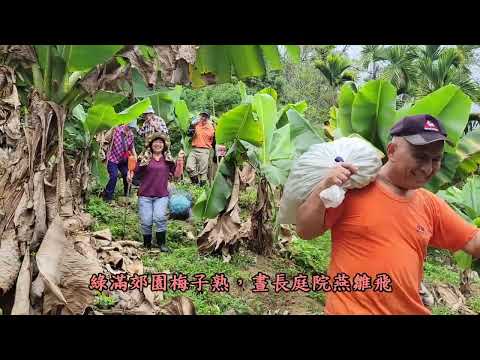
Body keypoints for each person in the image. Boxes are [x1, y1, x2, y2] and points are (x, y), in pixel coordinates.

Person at [295, 114, 480, 315]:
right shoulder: (353, 187)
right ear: (392, 151)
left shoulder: (430, 203)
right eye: (420, 157)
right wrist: (324, 186)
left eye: (436, 159)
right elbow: (305, 230)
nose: (427, 168)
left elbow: (474, 242)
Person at [128, 132, 175, 251]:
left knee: (160, 218)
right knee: (146, 220)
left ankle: (161, 244)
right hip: (145, 194)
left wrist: (180, 161)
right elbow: (135, 172)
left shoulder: (168, 159)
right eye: (155, 142)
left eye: (160, 142)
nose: (158, 144)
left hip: (162, 195)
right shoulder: (144, 158)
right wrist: (130, 174)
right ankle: (147, 244)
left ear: (164, 145)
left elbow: (177, 174)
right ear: (151, 144)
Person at [102, 121, 137, 202]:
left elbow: (132, 148)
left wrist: (135, 157)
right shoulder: (116, 130)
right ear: (126, 124)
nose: (130, 129)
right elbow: (105, 140)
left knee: (127, 175)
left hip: (122, 160)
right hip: (112, 158)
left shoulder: (131, 135)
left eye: (132, 128)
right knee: (113, 176)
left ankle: (127, 195)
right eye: (129, 127)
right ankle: (108, 197)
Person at [186, 111, 215, 186]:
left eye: (206, 116)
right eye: (202, 116)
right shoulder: (196, 124)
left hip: (204, 150)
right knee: (189, 167)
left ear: (208, 118)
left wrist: (215, 153)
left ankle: (201, 189)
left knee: (203, 172)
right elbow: (189, 134)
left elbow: (214, 140)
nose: (203, 118)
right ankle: (195, 184)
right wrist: (192, 125)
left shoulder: (211, 127)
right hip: (194, 149)